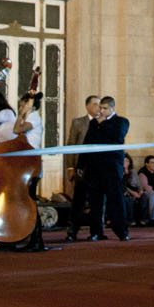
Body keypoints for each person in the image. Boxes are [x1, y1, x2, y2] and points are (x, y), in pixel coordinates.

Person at [82, 97, 130, 241]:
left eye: (104, 108)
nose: (100, 111)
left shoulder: (121, 121)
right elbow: (87, 143)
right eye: (100, 108)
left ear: (112, 108)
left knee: (115, 199)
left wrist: (103, 123)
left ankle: (122, 231)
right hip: (94, 167)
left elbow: (118, 137)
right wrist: (80, 164)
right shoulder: (93, 123)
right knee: (95, 201)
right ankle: (96, 232)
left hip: (111, 167)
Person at [5, 90, 48, 252]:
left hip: (32, 164)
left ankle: (37, 240)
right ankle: (29, 236)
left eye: (23, 104)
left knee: (30, 200)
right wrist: (21, 115)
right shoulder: (28, 117)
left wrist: (21, 115)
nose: (20, 107)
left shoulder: (34, 118)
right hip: (25, 164)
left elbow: (17, 130)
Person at [63, 95, 99, 238]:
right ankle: (72, 231)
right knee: (78, 201)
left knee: (96, 202)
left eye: (100, 105)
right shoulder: (78, 123)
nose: (98, 107)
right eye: (95, 104)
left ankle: (95, 232)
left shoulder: (103, 123)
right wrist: (70, 167)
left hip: (97, 169)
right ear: (88, 106)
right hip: (81, 169)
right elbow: (71, 145)